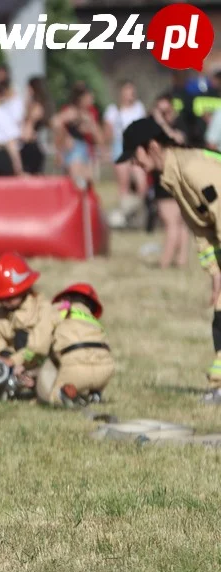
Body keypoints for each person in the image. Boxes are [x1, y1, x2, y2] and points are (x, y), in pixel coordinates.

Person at [119, 115, 221, 402]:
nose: (133, 164)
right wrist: (215, 272)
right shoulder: (173, 176)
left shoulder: (192, 168)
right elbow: (200, 226)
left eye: (134, 155)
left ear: (151, 146)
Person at [0, 253, 57, 390]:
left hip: (45, 361)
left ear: (24, 289)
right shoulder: (2, 313)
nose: (5, 302)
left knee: (21, 338)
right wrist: (0, 360)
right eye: (1, 298)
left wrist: (13, 361)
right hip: (18, 364)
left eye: (10, 297)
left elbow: (39, 347)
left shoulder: (42, 308)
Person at [35, 283, 113, 407]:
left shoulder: (59, 309)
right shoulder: (92, 320)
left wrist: (25, 360)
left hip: (75, 369)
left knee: (50, 398)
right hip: (106, 370)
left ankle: (64, 394)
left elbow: (38, 345)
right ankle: (94, 394)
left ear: (66, 298)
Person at [149, 95, 190, 269]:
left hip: (176, 179)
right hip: (163, 180)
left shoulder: (179, 125)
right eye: (160, 111)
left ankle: (167, 262)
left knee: (173, 223)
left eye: (166, 111)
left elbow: (177, 139)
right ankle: (177, 261)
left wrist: (160, 122)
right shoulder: (153, 131)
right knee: (175, 222)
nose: (164, 115)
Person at [104, 81, 148, 223]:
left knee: (142, 183)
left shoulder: (139, 108)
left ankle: (138, 213)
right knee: (124, 183)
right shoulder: (113, 110)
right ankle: (125, 215)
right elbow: (108, 134)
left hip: (136, 147)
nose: (131, 95)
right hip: (120, 147)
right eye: (128, 91)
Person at [52, 83, 102, 185]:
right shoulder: (71, 112)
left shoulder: (90, 114)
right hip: (74, 150)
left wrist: (91, 127)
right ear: (81, 98)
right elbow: (55, 122)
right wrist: (66, 137)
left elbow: (100, 139)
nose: (92, 99)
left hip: (86, 151)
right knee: (77, 181)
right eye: (89, 97)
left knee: (87, 181)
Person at [20, 77, 49, 175]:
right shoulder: (36, 106)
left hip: (31, 147)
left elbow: (28, 129)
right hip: (32, 146)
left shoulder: (36, 107)